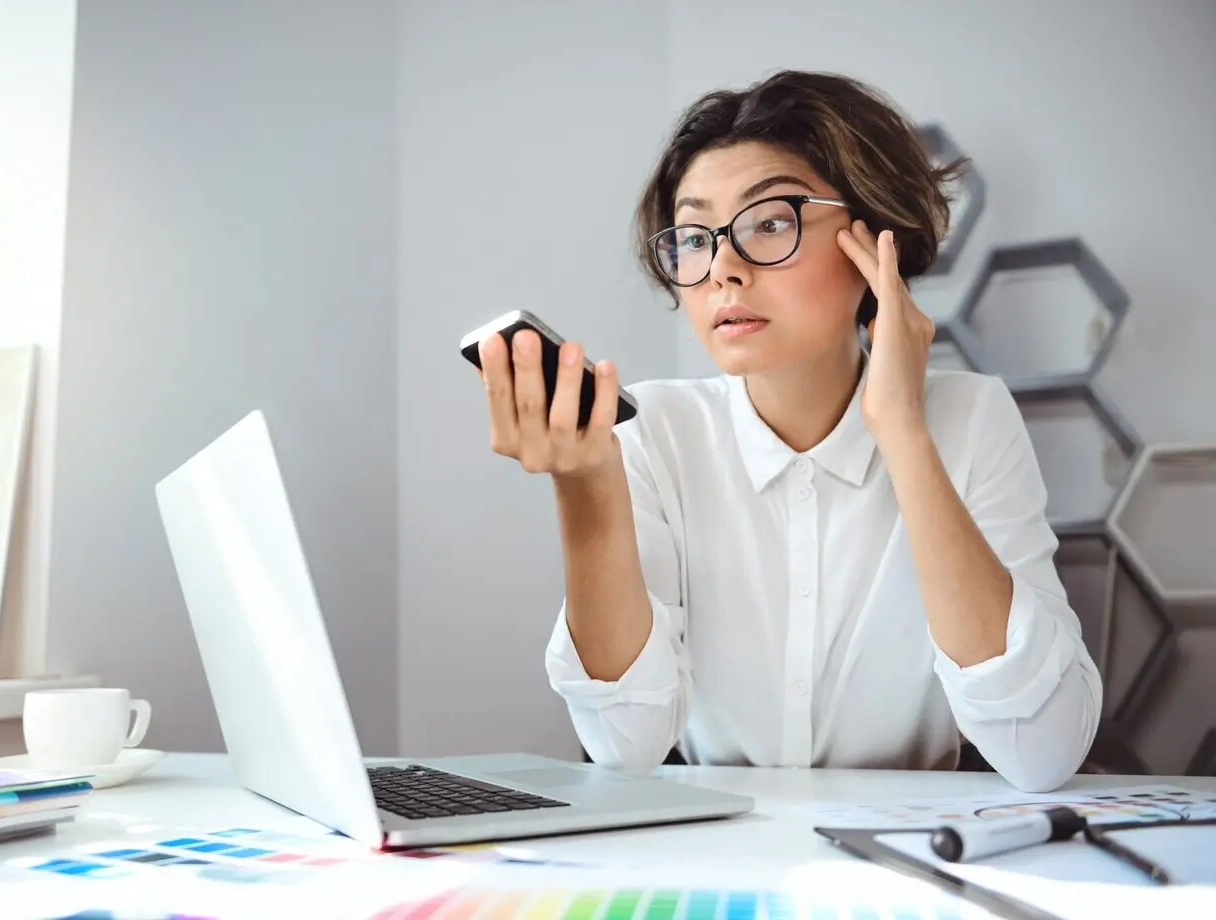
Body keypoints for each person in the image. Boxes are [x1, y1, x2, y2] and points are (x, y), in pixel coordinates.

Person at [472, 70, 1101, 793]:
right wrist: (584, 488)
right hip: (719, 864)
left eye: (770, 221)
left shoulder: (970, 419)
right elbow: (624, 744)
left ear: (876, 243)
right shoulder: (656, 432)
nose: (723, 270)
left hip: (913, 864)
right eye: (694, 236)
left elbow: (1044, 750)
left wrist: (902, 431)